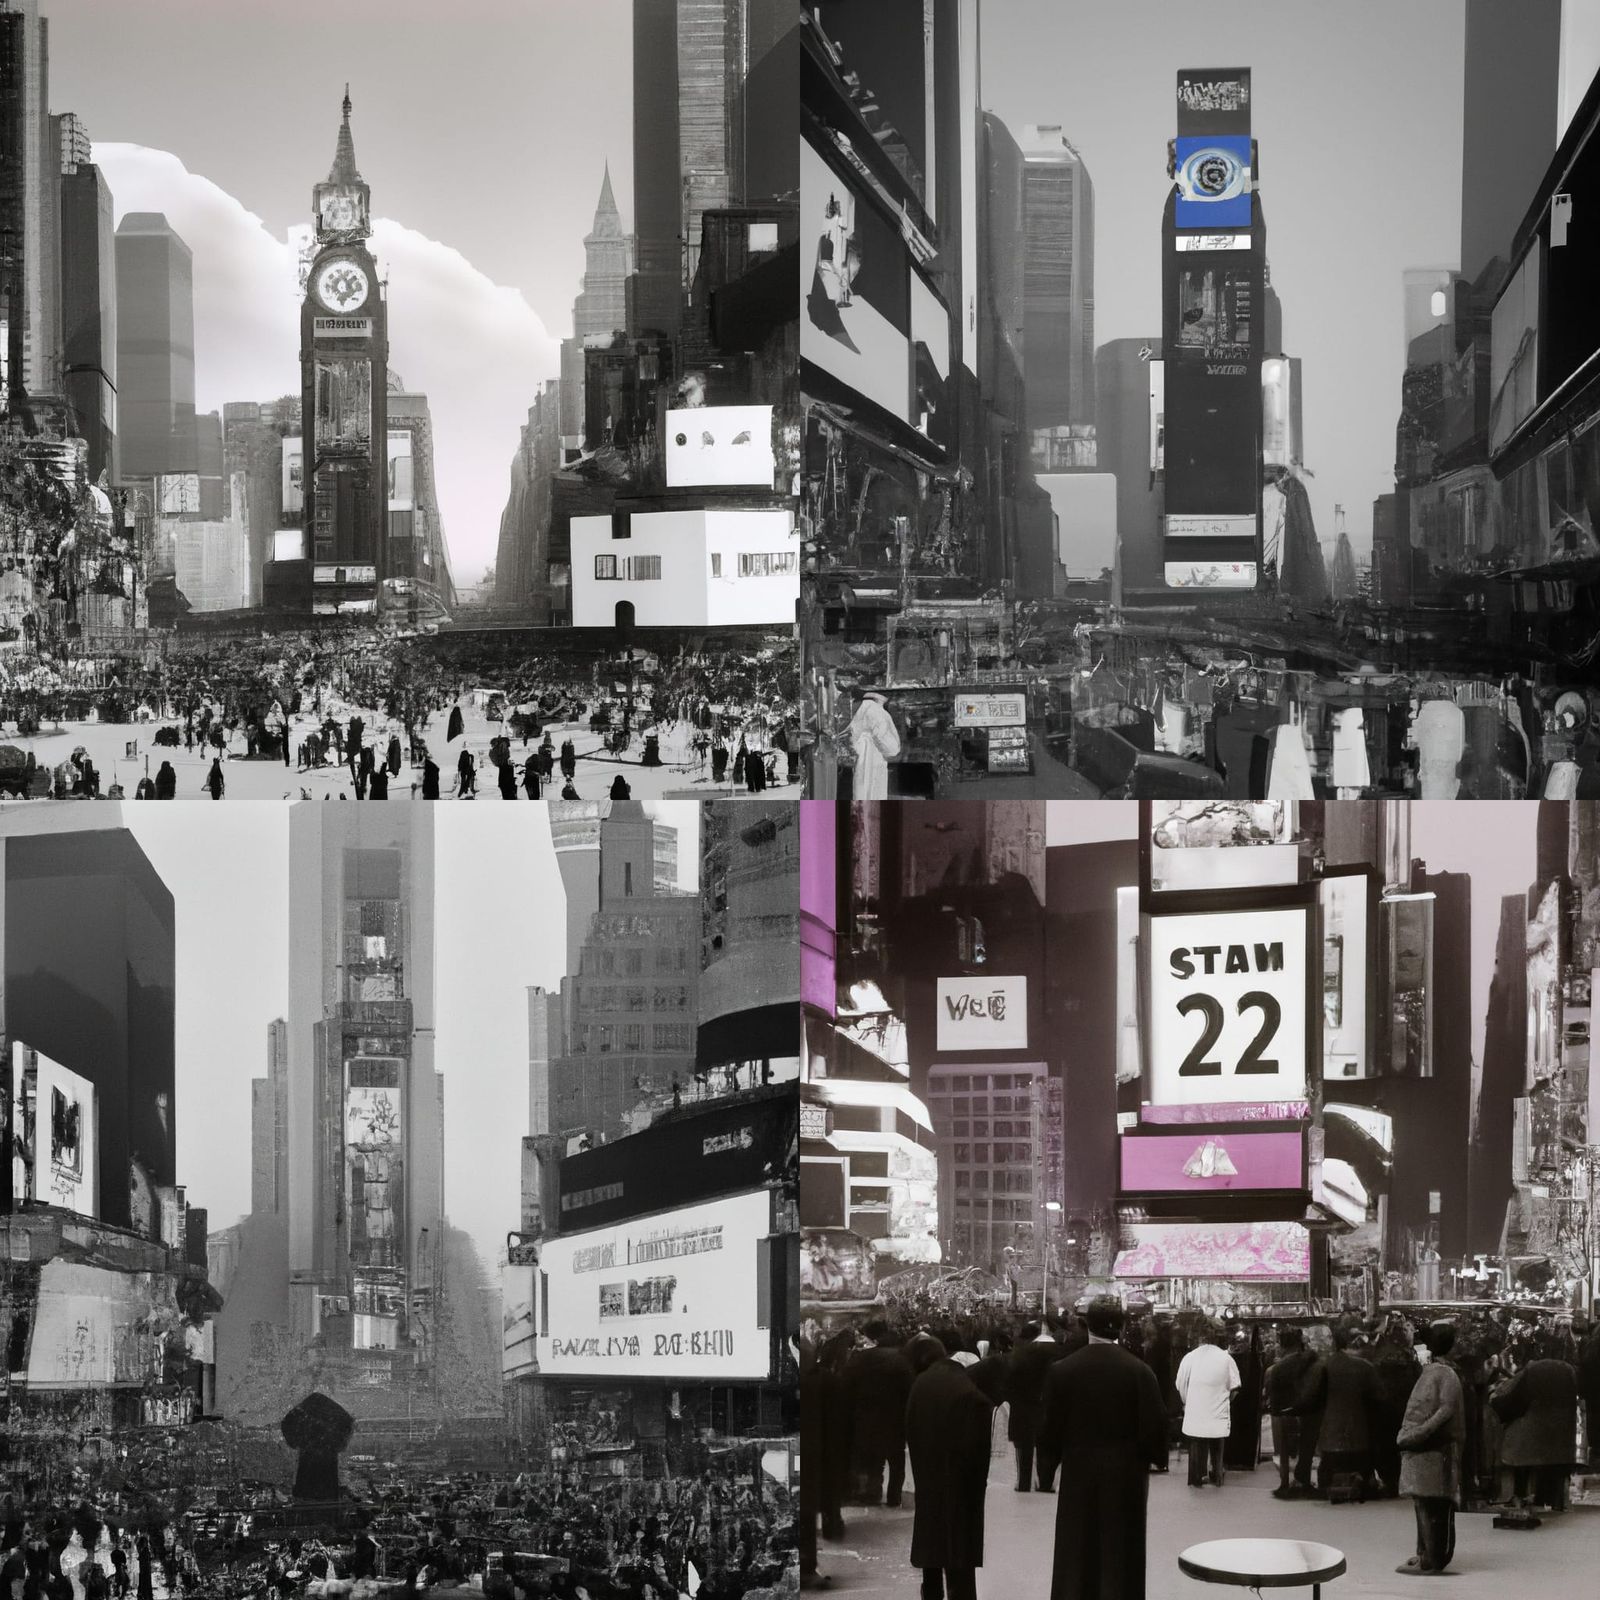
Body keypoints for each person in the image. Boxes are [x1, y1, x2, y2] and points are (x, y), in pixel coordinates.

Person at [1039, 1295, 1167, 1600]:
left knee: (1077, 1544)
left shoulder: (1063, 1371)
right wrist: (1152, 1458)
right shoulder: (1139, 1372)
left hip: (1079, 1471)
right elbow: (1155, 1426)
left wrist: (1047, 1469)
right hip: (1126, 1475)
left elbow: (1049, 1429)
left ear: (1086, 1325)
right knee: (1122, 1548)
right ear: (1120, 1328)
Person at [905, 1337, 994, 1600]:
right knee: (960, 1546)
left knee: (931, 1538)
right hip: (962, 1481)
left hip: (928, 1477)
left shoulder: (920, 1384)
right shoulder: (963, 1383)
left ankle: (931, 1592)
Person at [1396, 1321, 1466, 1577]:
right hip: (1433, 1449)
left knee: (1429, 1505)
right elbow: (1444, 1410)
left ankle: (1429, 1557)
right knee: (1429, 1504)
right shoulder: (1444, 1373)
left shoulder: (1438, 1373)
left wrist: (1414, 1435)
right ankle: (1427, 1556)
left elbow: (1441, 1410)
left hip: (1431, 1447)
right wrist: (1418, 1435)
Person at [1493, 1329, 1580, 1512]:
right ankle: (1554, 1499)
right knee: (1551, 1460)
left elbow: (1515, 1400)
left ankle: (1519, 1494)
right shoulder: (1569, 1370)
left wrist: (1497, 1402)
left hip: (1533, 1433)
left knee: (1517, 1440)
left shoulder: (1534, 1369)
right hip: (1561, 1432)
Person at [847, 1321, 914, 1507]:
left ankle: (872, 1493)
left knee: (873, 1459)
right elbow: (910, 1388)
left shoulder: (861, 1359)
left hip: (867, 1418)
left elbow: (847, 1386)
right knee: (896, 1459)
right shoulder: (902, 1359)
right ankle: (894, 1497)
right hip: (895, 1418)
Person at [1316, 1322, 1380, 1498]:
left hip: (1330, 1434)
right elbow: (1379, 1399)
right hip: (1359, 1434)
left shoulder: (1324, 1366)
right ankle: (1364, 1483)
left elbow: (1316, 1397)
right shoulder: (1366, 1367)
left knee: (1328, 1466)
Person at [1176, 1323, 1239, 1486]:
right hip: (1218, 1411)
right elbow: (1235, 1387)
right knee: (1217, 1444)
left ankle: (1196, 1477)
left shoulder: (1189, 1357)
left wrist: (1186, 1401)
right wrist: (1225, 1400)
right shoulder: (1226, 1358)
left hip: (1195, 1410)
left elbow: (1180, 1384)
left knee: (1196, 1443)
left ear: (1198, 1338)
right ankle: (1217, 1475)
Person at [1006, 1321, 1066, 1492]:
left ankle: (1024, 1483)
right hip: (1046, 1405)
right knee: (1045, 1446)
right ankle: (1046, 1483)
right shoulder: (1054, 1352)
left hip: (1023, 1406)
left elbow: (1011, 1382)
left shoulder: (1020, 1356)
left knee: (1024, 1447)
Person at [1265, 1326, 1321, 1499]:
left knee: (1282, 1451)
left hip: (1282, 1412)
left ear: (1281, 1346)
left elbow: (1270, 1394)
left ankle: (1284, 1482)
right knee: (1307, 1448)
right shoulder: (1313, 1363)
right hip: (1308, 1412)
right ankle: (1303, 1479)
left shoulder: (1274, 1370)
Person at [847, 688, 900, 800]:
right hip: (871, 765)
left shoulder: (860, 709)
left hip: (860, 765)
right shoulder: (875, 711)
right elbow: (892, 749)